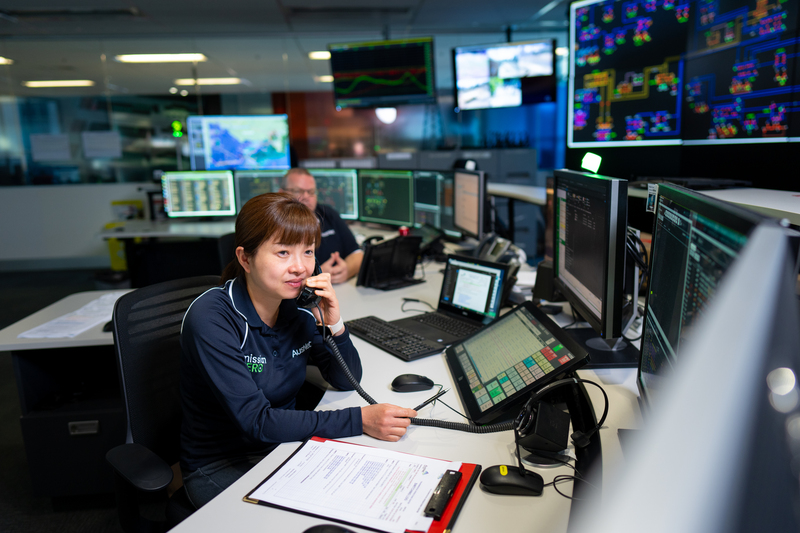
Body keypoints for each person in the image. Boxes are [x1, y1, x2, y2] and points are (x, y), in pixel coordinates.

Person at [179, 192, 416, 508]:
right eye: (282, 252)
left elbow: (345, 379)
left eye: (307, 251)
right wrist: (361, 420)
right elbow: (258, 422)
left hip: (284, 447)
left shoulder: (298, 309)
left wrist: (334, 323)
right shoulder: (213, 317)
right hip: (221, 463)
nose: (300, 267)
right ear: (245, 258)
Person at [281, 167, 363, 284]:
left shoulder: (328, 215)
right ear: (281, 192)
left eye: (311, 192)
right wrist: (317, 276)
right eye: (298, 191)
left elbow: (356, 253)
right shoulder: (275, 226)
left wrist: (347, 270)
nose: (306, 197)